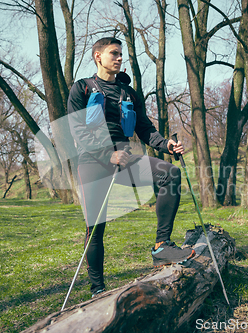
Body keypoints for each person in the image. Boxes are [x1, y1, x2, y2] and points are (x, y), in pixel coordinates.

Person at [67, 37, 195, 297]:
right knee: (96, 227)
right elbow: (77, 130)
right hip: (93, 161)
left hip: (125, 159)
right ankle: (98, 289)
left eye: (120, 54)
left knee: (169, 173)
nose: (119, 58)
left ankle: (161, 247)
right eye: (113, 53)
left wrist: (166, 144)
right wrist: (107, 153)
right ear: (97, 56)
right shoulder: (82, 88)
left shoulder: (129, 93)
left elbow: (145, 129)